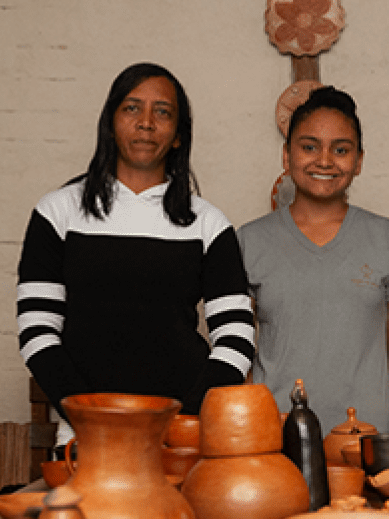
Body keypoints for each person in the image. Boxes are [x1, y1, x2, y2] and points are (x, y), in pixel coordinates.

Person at [16, 63, 254, 433]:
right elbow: (37, 330)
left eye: (163, 112)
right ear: (110, 123)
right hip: (85, 437)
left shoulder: (208, 223)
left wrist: (184, 419)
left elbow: (237, 337)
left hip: (180, 440)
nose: (146, 122)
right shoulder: (57, 212)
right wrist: (90, 419)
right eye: (132, 108)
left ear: (178, 135)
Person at [238, 86, 389, 433]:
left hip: (366, 443)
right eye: (309, 147)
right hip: (277, 442)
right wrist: (251, 434)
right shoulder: (248, 242)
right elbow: (238, 352)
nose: (324, 160)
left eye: (341, 150)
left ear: (359, 161)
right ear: (286, 156)